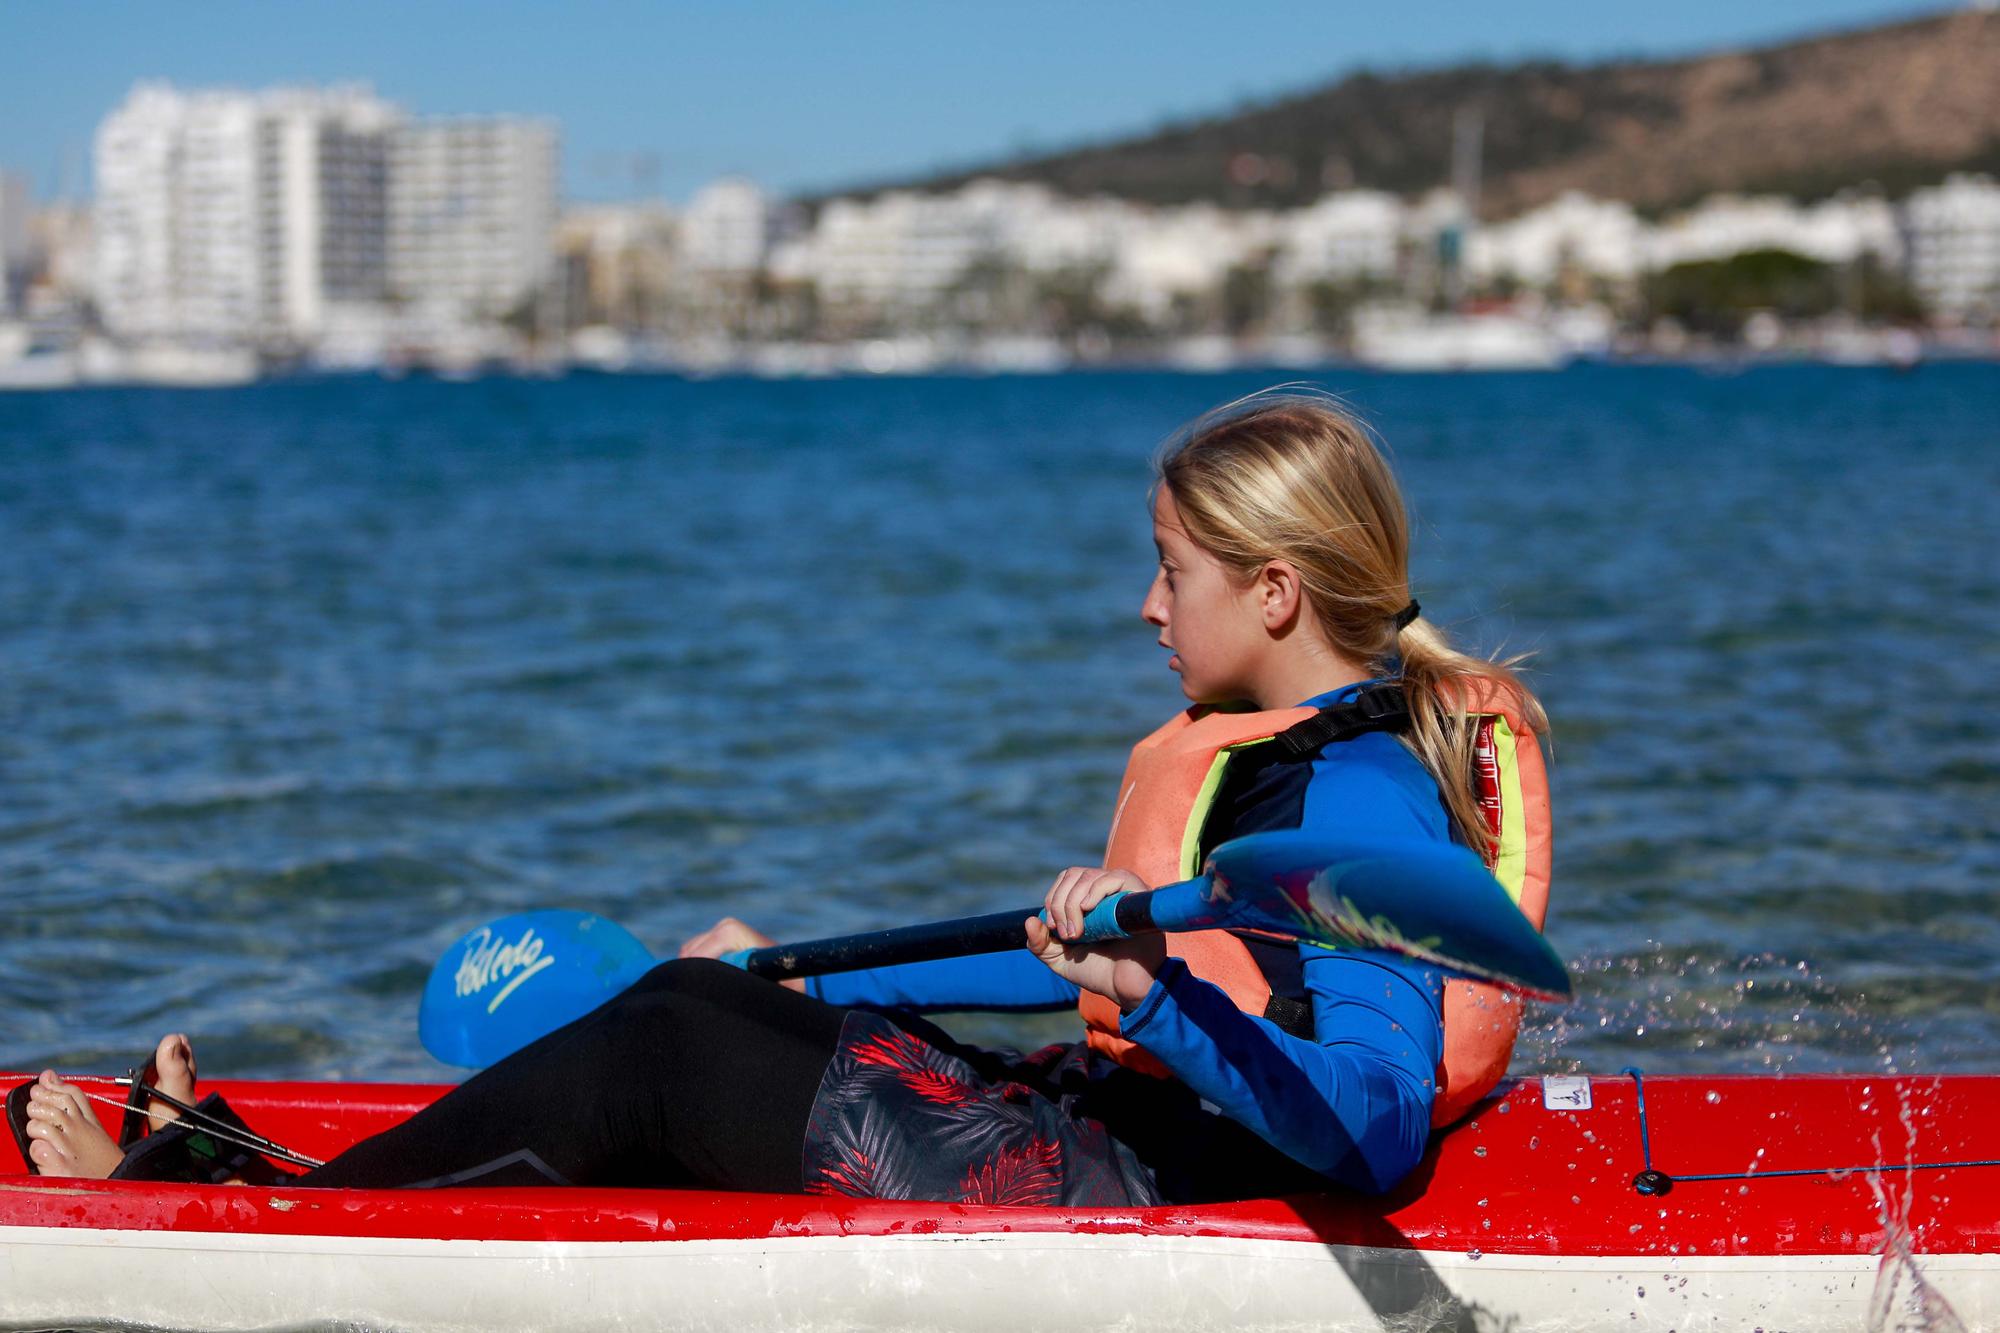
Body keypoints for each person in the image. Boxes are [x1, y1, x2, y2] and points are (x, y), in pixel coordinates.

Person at [13, 393, 1550, 1205]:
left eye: (1173, 569)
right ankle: (266, 1174)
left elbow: (1376, 1126)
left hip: (1127, 1182)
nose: (1148, 608)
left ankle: (235, 1208)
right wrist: (781, 963)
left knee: (670, 1047)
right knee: (711, 1002)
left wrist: (1155, 1004)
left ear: (1275, 590)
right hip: (1091, 1124)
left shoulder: (1357, 807)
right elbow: (1039, 956)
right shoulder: (1267, 753)